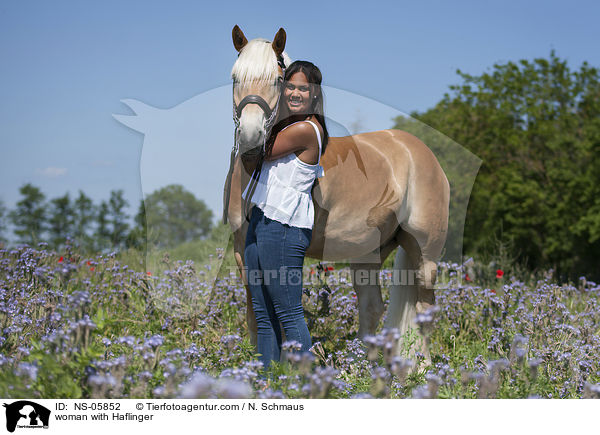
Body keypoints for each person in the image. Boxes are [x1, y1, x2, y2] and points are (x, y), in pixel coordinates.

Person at [243, 60, 329, 371]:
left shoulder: (306, 129)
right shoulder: (286, 125)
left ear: (315, 94)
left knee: (289, 312)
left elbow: (255, 148)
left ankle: (306, 387)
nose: (294, 92)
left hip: (283, 225)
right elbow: (251, 164)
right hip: (261, 220)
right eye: (289, 86)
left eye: (302, 88)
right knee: (264, 314)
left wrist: (250, 113)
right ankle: (269, 385)